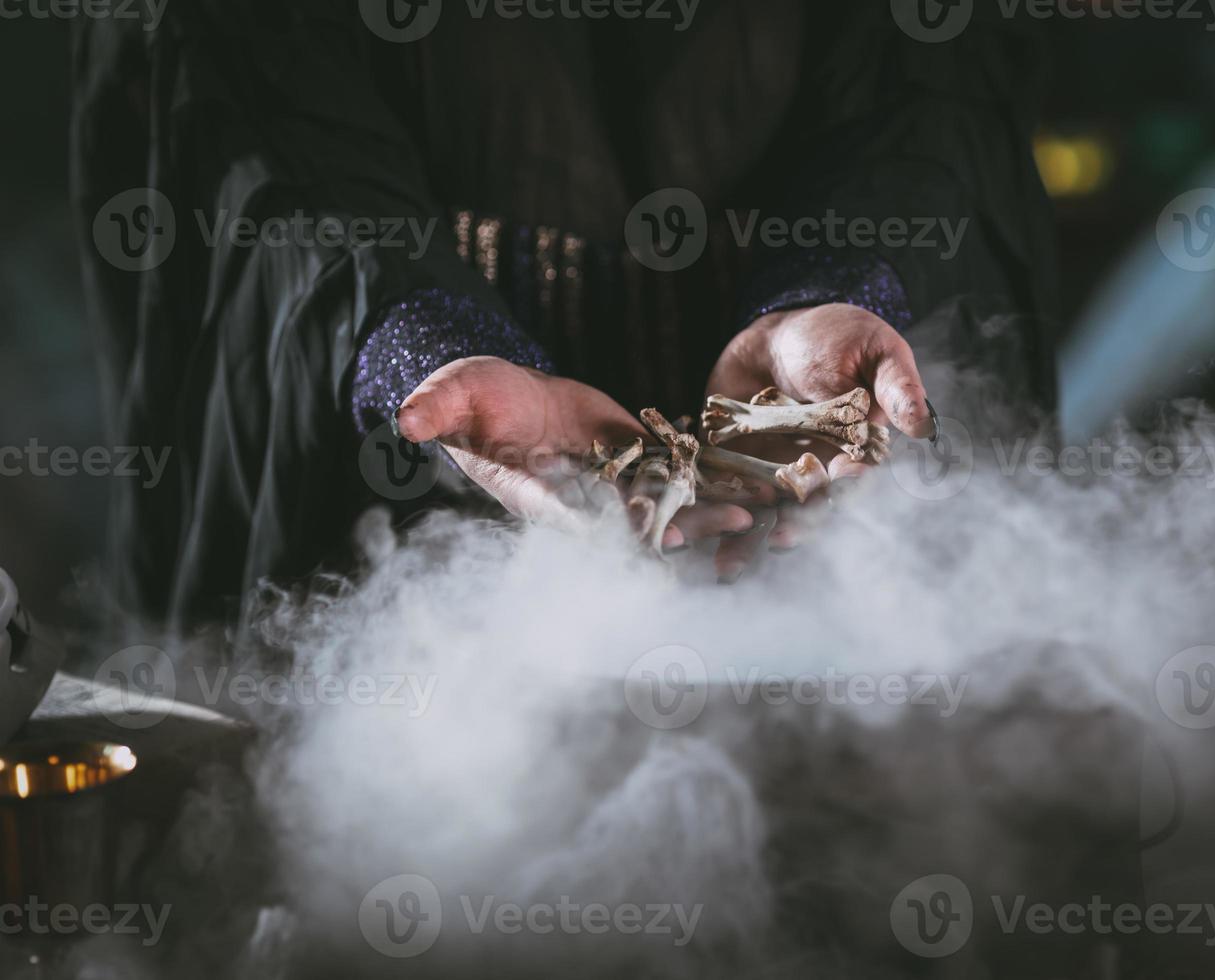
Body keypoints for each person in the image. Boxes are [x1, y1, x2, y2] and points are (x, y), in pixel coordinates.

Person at [73, 0, 1056, 631]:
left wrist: (832, 285)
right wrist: (422, 338)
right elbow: (235, 86)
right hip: (391, 479)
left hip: (797, 449)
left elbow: (925, 66)